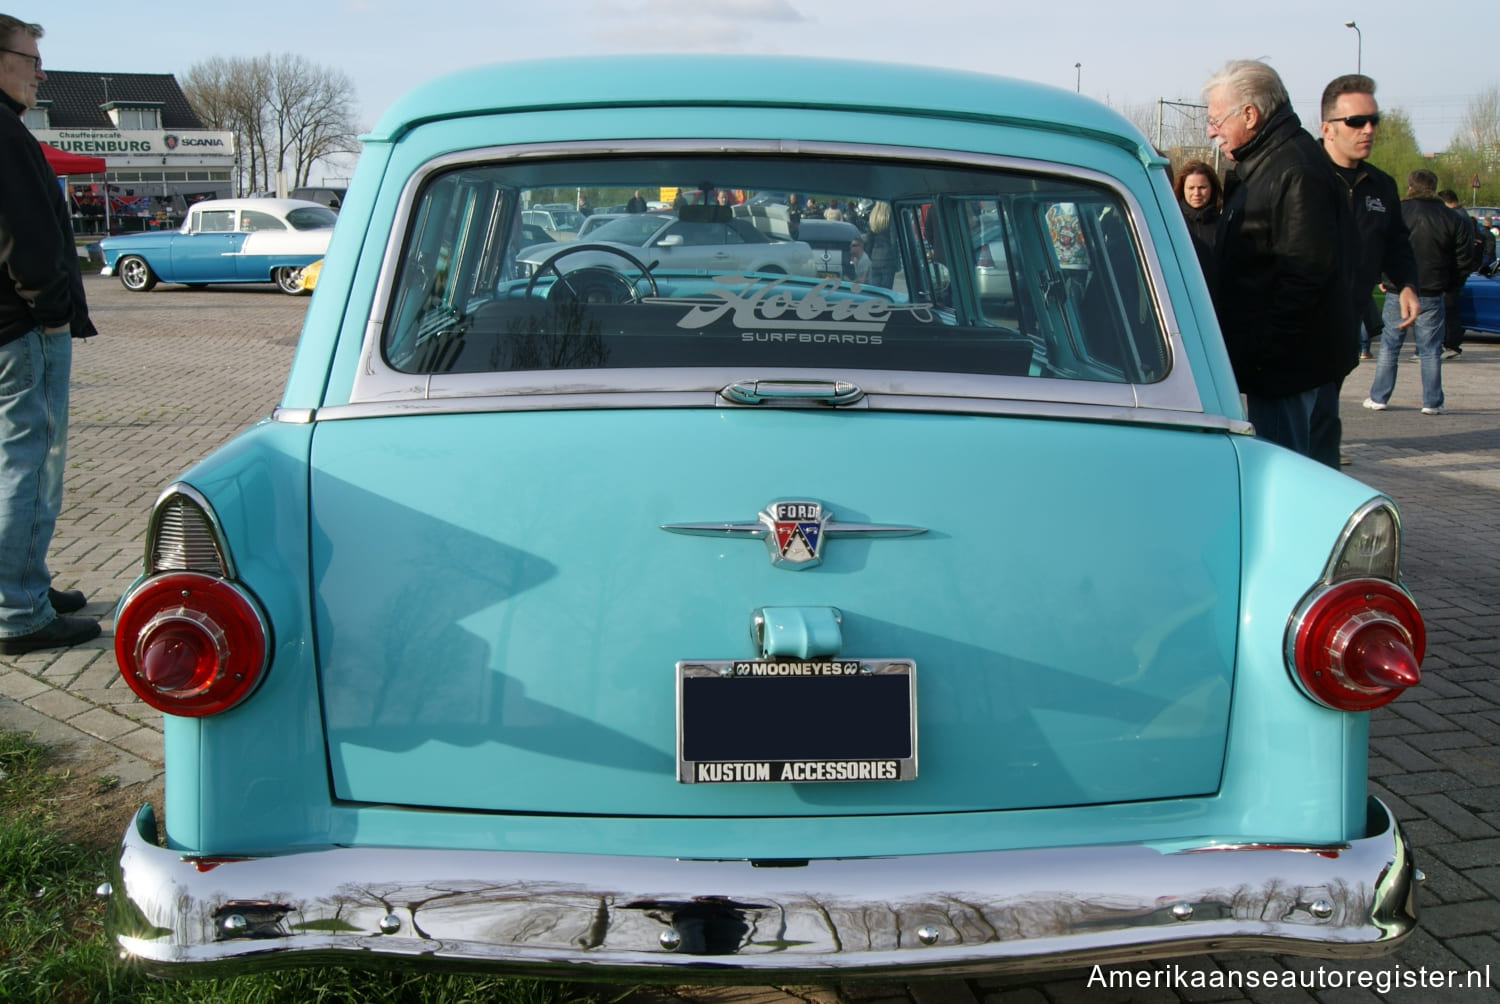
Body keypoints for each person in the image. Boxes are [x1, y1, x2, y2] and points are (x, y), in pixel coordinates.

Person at [0, 14, 99, 655]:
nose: (40, 71)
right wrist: (53, 310)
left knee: (15, 463)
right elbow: (27, 239)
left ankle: (23, 581)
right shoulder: (5, 134)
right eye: (30, 57)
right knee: (29, 466)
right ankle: (19, 610)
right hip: (24, 329)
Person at [1203, 59, 1355, 457]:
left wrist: (1261, 357)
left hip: (1284, 370)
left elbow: (1304, 277)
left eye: (1217, 120)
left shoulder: (1294, 170)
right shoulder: (1266, 164)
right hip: (1275, 365)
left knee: (1281, 467)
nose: (1210, 131)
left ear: (1249, 115)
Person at [1315, 73, 1417, 469]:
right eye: (1356, 121)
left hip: (1347, 320)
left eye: (1374, 120)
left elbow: (1397, 244)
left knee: (1325, 413)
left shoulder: (1381, 186)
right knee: (1311, 418)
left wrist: (1407, 284)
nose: (1368, 129)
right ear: (1327, 127)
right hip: (1299, 323)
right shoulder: (1304, 177)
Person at [1363, 170, 1472, 416]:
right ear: (1434, 187)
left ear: (1410, 187)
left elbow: (1379, 245)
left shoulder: (1398, 211)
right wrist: (1451, 284)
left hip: (1398, 288)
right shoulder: (1451, 217)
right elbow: (1463, 258)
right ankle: (1432, 401)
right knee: (1430, 349)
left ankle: (1379, 396)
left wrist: (1382, 276)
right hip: (1433, 289)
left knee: (1390, 345)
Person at [1438, 189, 1481, 358]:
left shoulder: (1456, 217)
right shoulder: (1463, 215)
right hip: (1459, 269)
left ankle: (1452, 344)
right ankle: (1451, 344)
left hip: (1453, 270)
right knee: (1450, 308)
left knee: (1449, 308)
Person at [1172, 159, 1221, 278]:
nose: (1196, 193)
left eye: (1202, 187)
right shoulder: (1173, 223)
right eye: (1191, 188)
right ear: (1182, 189)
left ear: (1212, 188)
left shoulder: (1222, 223)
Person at [864, 201, 898, 288]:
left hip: (875, 259)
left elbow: (869, 241)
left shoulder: (873, 216)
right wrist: (896, 262)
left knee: (876, 293)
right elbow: (893, 241)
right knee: (886, 292)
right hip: (888, 260)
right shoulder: (890, 216)